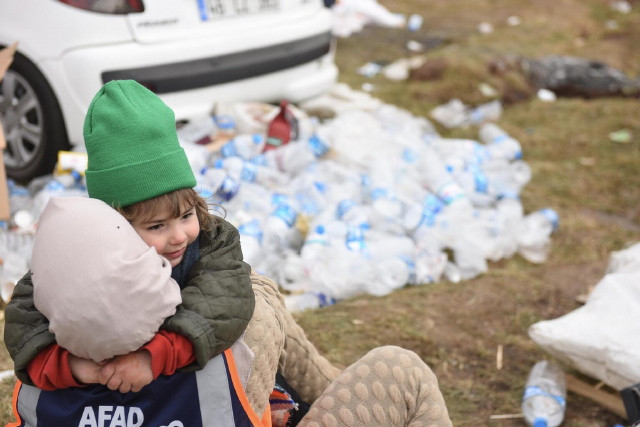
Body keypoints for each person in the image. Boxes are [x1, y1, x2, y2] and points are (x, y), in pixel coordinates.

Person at [5, 80, 453, 426]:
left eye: (185, 215)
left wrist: (151, 357)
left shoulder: (207, 243)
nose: (179, 236)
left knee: (255, 290)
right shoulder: (74, 270)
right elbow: (23, 329)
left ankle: (313, 393)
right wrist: (80, 367)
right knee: (398, 367)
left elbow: (223, 295)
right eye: (156, 226)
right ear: (112, 224)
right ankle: (322, 392)